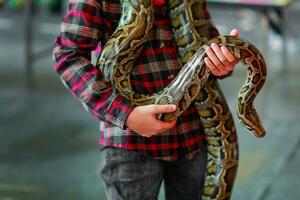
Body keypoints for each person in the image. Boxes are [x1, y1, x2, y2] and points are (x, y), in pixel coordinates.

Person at [53, 0, 239, 199]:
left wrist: (221, 62)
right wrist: (126, 114)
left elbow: (206, 42)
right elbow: (68, 56)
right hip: (131, 142)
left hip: (194, 133)